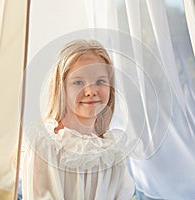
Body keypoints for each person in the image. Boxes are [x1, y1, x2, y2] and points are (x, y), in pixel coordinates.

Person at [22, 39, 136, 199]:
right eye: (78, 82)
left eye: (100, 81)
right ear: (62, 88)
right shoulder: (46, 145)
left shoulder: (112, 152)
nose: (90, 91)